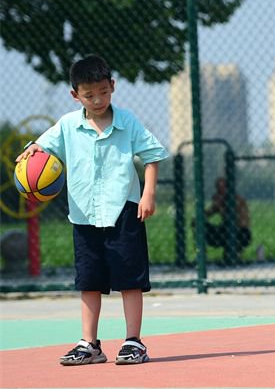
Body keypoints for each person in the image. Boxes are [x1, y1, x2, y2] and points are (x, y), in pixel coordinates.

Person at [16, 55, 168, 366]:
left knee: (130, 279)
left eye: (103, 91)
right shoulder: (68, 125)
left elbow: (152, 156)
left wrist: (148, 193)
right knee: (88, 281)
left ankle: (133, 341)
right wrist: (31, 149)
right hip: (84, 215)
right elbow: (41, 148)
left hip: (124, 211)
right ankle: (89, 343)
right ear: (75, 95)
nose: (97, 100)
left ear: (113, 86)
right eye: (89, 94)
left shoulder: (128, 123)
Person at [202, 177, 252, 262]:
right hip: (225, 230)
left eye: (222, 189)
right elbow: (209, 212)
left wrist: (219, 206)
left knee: (232, 232)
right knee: (203, 227)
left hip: (241, 232)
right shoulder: (221, 201)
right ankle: (202, 256)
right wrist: (199, 219)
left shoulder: (238, 200)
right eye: (218, 189)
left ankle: (236, 253)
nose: (219, 192)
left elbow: (231, 218)